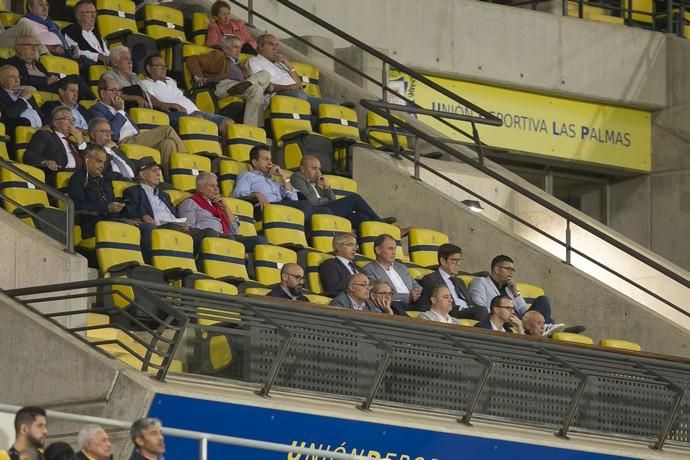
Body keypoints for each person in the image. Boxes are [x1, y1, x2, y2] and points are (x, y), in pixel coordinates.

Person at [122, 156, 217, 261]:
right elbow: (130, 210)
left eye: (159, 170)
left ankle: (200, 267)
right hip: (159, 226)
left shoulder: (164, 195)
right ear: (142, 174)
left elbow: (174, 215)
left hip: (174, 225)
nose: (159, 174)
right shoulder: (133, 191)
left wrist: (182, 223)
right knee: (174, 228)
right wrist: (143, 216)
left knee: (209, 233)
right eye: (154, 171)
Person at [89, 76, 187, 174]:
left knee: (168, 143)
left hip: (136, 137)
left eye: (118, 91)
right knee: (167, 130)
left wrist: (120, 110)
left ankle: (171, 177)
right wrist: (120, 111)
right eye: (113, 90)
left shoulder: (119, 108)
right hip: (124, 141)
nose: (117, 94)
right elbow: (112, 133)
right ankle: (186, 163)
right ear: (102, 93)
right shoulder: (97, 109)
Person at [138, 54, 233, 137]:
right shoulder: (145, 83)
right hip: (177, 114)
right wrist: (170, 105)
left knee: (228, 123)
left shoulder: (170, 80)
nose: (163, 69)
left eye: (165, 66)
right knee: (198, 120)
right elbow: (153, 101)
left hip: (195, 111)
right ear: (149, 68)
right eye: (159, 66)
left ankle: (224, 154)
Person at [468, 254, 565, 336]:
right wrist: (504, 315)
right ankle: (546, 326)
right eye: (508, 269)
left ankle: (545, 325)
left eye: (512, 270)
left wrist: (516, 292)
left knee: (543, 300)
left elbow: (524, 310)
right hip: (503, 317)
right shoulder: (481, 282)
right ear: (497, 269)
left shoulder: (509, 287)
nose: (511, 273)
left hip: (519, 318)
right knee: (547, 313)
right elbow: (480, 306)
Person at [186, 34, 270, 126]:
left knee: (264, 76)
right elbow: (193, 59)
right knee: (256, 89)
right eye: (235, 47)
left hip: (240, 86)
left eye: (240, 48)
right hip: (222, 85)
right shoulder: (218, 56)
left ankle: (247, 85)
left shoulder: (241, 66)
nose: (239, 51)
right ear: (226, 49)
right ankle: (252, 126)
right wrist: (198, 77)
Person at [291, 155, 395, 228]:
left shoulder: (315, 184)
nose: (318, 172)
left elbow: (332, 200)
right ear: (303, 169)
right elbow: (311, 201)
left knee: (362, 217)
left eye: (319, 169)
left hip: (326, 208)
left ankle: (379, 235)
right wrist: (326, 200)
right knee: (354, 198)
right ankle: (382, 225)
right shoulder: (297, 177)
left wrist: (326, 187)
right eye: (314, 168)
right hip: (316, 211)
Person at [247, 34, 338, 113]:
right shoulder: (255, 61)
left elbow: (299, 85)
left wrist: (289, 65)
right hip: (277, 94)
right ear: (260, 46)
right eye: (271, 44)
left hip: (299, 93)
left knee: (333, 103)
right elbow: (263, 85)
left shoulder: (279, 63)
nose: (275, 48)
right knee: (300, 96)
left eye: (276, 45)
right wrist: (288, 87)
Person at [177, 171, 265, 252]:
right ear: (201, 188)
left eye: (217, 186)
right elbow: (189, 230)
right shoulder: (190, 203)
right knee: (231, 240)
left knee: (260, 240)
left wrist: (226, 207)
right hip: (211, 239)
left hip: (229, 237)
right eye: (212, 186)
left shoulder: (218, 205)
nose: (216, 189)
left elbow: (235, 231)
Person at [232, 144, 315, 222]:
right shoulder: (247, 175)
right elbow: (237, 193)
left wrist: (283, 176)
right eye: (266, 159)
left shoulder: (274, 181)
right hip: (264, 208)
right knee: (304, 206)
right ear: (254, 162)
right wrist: (256, 194)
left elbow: (294, 199)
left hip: (280, 207)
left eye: (270, 159)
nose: (270, 163)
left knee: (324, 210)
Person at [6, 35, 93, 100]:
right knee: (74, 79)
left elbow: (49, 76)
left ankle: (88, 104)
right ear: (18, 47)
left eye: (35, 46)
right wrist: (45, 80)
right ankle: (94, 100)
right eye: (29, 45)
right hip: (41, 86)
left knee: (74, 86)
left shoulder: (38, 64)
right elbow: (21, 79)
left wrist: (57, 77)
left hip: (51, 85)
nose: (34, 49)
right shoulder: (12, 63)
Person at [416, 244, 489, 321]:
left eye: (459, 261)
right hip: (451, 310)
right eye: (454, 261)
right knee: (481, 311)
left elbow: (470, 302)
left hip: (467, 311)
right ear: (443, 261)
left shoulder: (460, 281)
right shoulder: (431, 279)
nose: (458, 264)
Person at [66, 144, 125, 238]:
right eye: (98, 161)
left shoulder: (105, 181)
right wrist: (106, 208)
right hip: (91, 225)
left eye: (104, 162)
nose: (102, 166)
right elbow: (77, 206)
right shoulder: (77, 179)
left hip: (110, 221)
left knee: (136, 225)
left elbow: (111, 202)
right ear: (86, 160)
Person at [24, 106, 86, 179]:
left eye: (73, 119)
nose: (72, 123)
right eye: (67, 118)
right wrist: (45, 162)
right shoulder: (45, 136)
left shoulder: (74, 143)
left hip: (79, 178)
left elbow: (88, 164)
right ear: (56, 123)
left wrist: (81, 142)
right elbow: (29, 156)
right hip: (58, 177)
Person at [361, 234, 422, 307]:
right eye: (390, 249)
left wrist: (416, 293)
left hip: (416, 302)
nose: (394, 252)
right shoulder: (369, 270)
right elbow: (380, 294)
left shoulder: (402, 267)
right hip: (394, 305)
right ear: (378, 250)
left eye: (394, 249)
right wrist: (408, 297)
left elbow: (417, 286)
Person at [63, 0, 111, 67]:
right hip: (89, 68)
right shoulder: (70, 32)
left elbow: (106, 52)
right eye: (90, 12)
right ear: (79, 15)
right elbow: (75, 53)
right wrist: (97, 56)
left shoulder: (96, 32)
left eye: (94, 12)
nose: (94, 16)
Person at [0, 64, 43, 130]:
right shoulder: (2, 95)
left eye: (18, 77)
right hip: (21, 130)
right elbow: (9, 115)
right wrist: (22, 99)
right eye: (12, 77)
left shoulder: (25, 93)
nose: (17, 80)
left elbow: (40, 114)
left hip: (40, 130)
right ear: (1, 80)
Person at [318, 232, 359, 297]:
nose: (355, 249)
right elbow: (332, 289)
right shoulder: (330, 265)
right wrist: (356, 281)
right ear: (339, 247)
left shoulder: (358, 267)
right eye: (350, 245)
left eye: (355, 245)